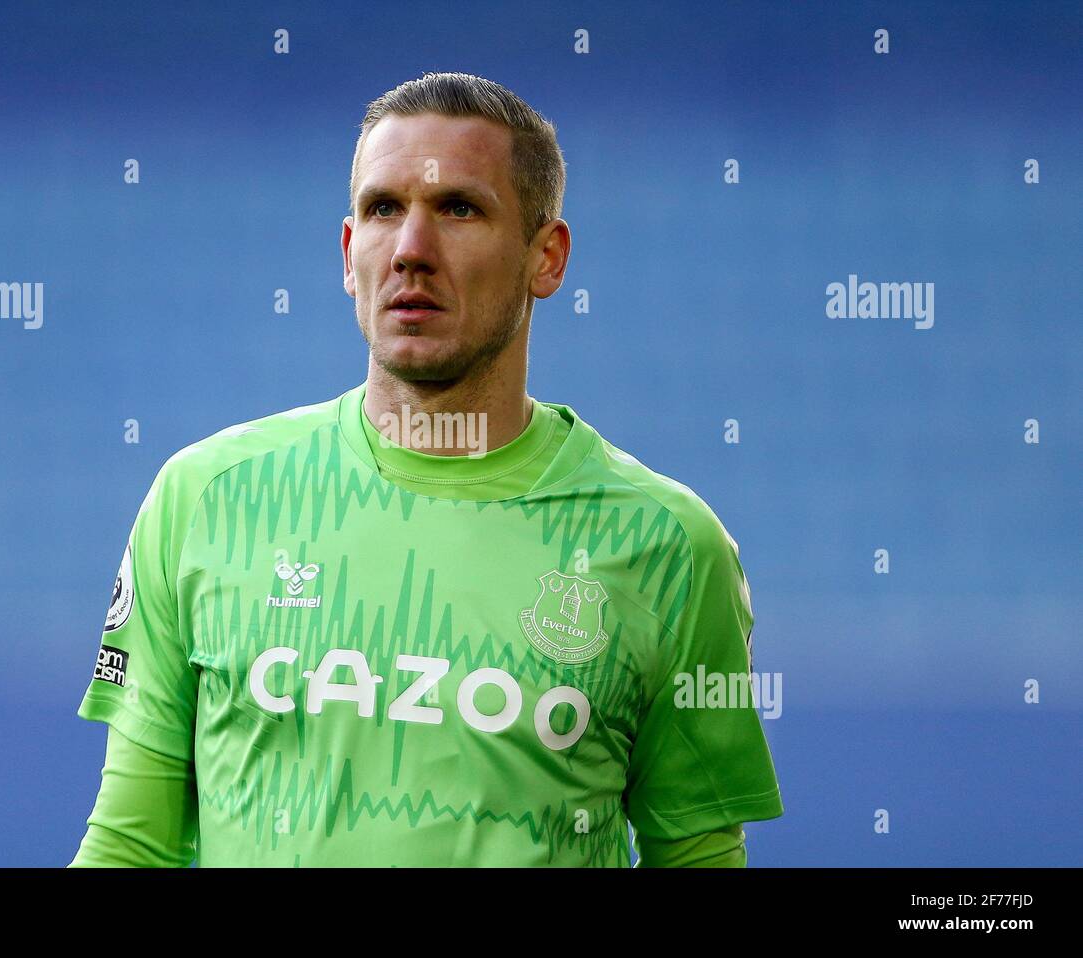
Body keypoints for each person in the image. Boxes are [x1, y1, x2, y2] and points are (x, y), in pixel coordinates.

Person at [69, 71, 782, 867]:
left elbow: (698, 855)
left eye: (459, 210)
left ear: (546, 258)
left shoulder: (668, 547)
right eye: (383, 210)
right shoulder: (204, 499)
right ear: (349, 255)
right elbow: (131, 847)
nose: (411, 250)